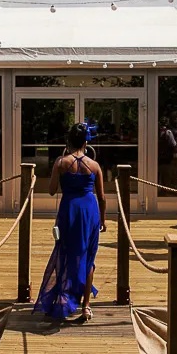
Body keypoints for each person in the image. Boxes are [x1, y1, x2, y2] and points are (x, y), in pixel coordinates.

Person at [34, 124, 106, 321]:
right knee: (88, 256)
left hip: (69, 209)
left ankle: (62, 297)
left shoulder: (61, 162)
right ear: (85, 142)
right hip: (89, 210)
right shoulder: (95, 165)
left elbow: (51, 190)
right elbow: (102, 197)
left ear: (69, 141)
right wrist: (103, 219)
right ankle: (85, 306)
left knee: (65, 252)